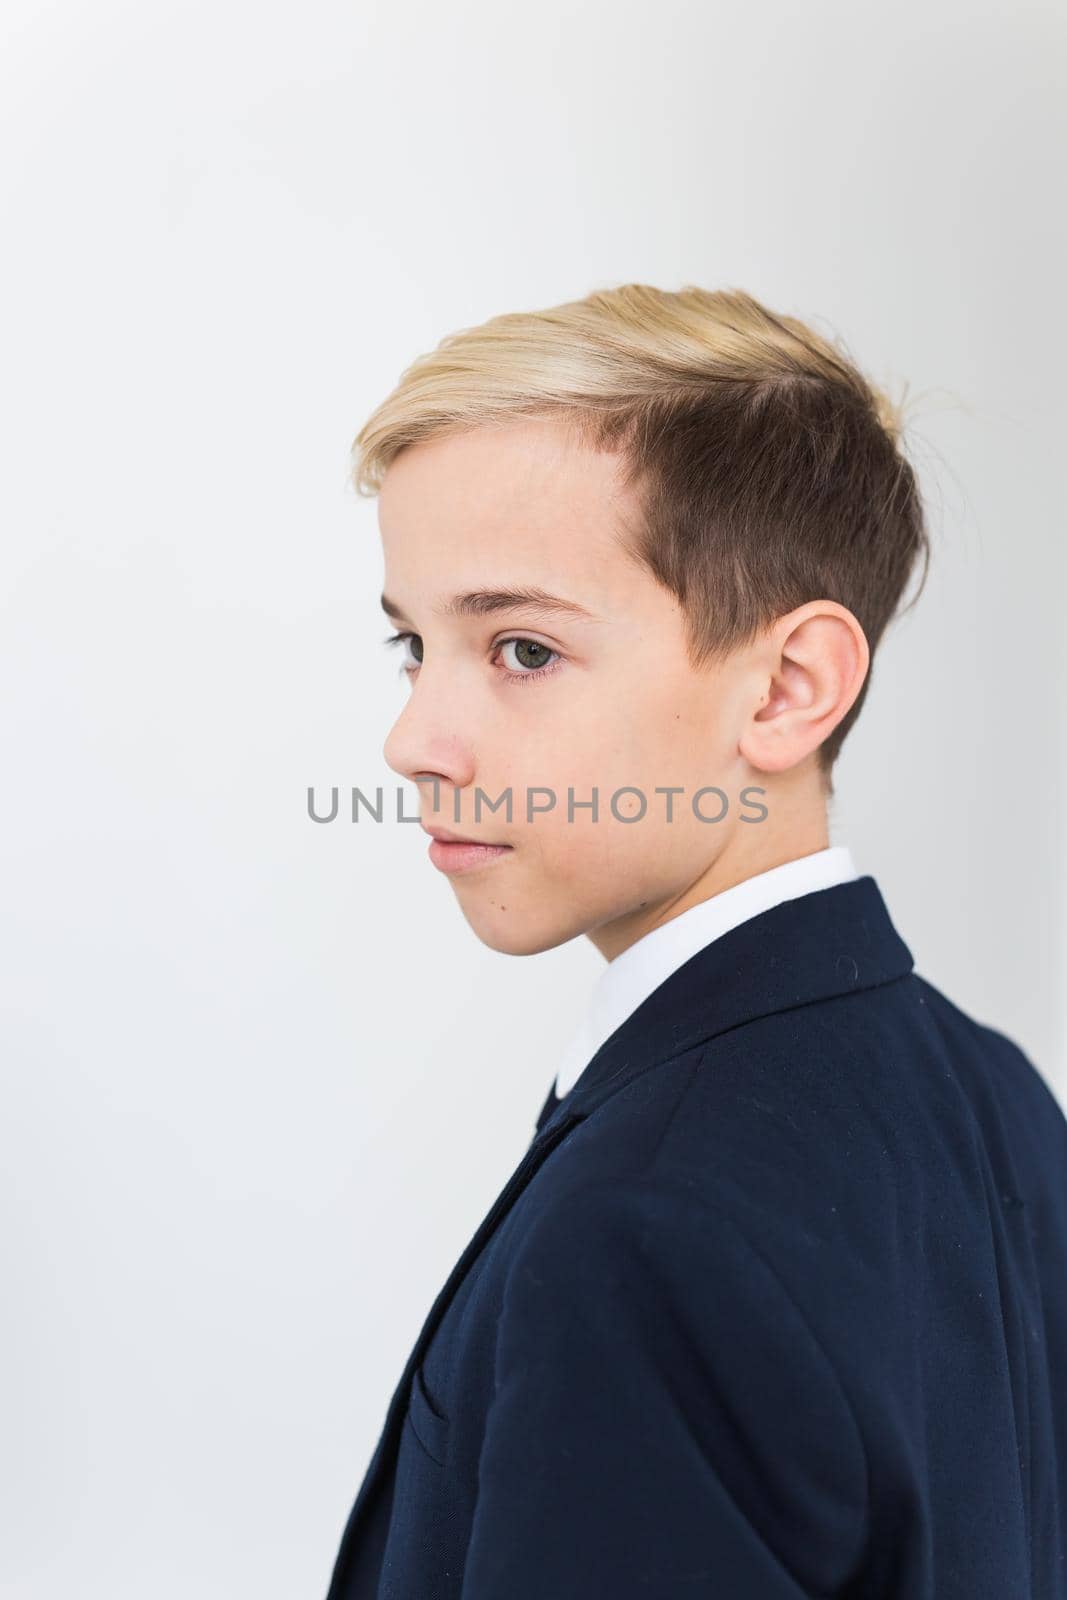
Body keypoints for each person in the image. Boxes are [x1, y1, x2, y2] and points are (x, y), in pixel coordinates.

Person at [324, 284, 1067, 1598]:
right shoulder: (993, 1091)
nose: (413, 743)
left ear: (786, 689)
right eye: (412, 645)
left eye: (521, 648)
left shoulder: (647, 1226)